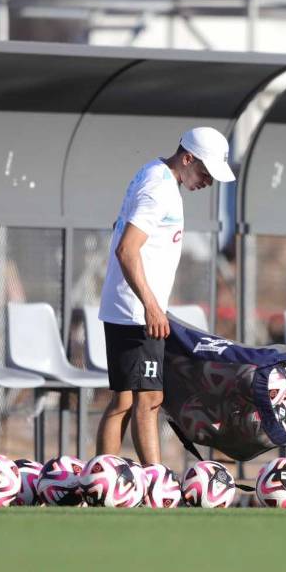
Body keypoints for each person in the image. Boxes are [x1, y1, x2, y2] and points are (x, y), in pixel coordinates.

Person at [95, 127, 235, 464]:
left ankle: (101, 480)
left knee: (126, 401)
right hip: (135, 312)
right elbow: (128, 250)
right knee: (149, 399)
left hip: (130, 308)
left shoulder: (157, 176)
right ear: (187, 158)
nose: (208, 182)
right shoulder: (158, 188)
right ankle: (154, 483)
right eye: (204, 172)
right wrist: (152, 307)